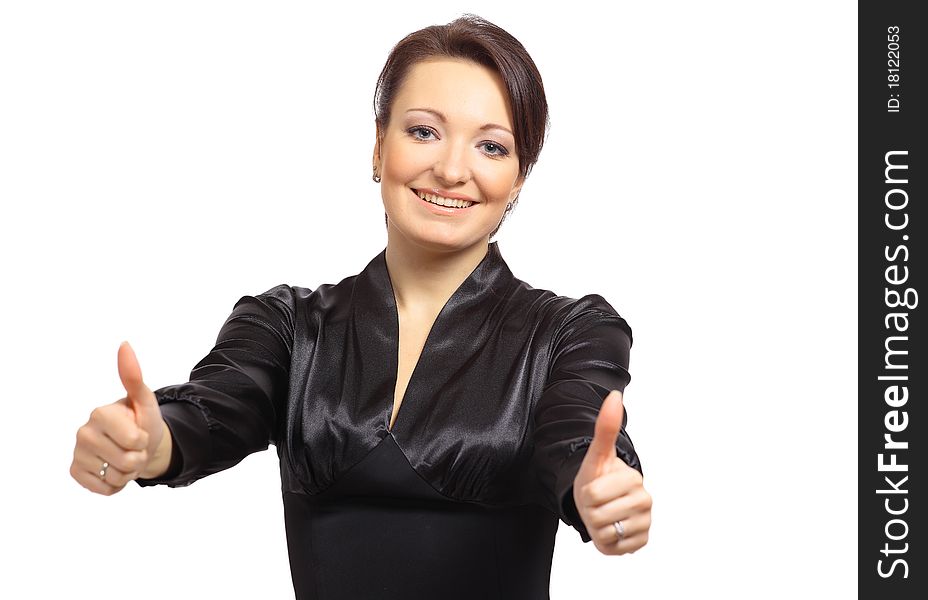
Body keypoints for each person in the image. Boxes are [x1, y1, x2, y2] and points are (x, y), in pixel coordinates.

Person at [70, 13, 652, 599]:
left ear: (519, 178)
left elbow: (580, 438)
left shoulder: (571, 333)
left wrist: (600, 487)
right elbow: (213, 411)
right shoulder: (289, 327)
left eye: (491, 146)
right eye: (424, 132)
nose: (451, 170)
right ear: (379, 145)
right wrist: (148, 443)